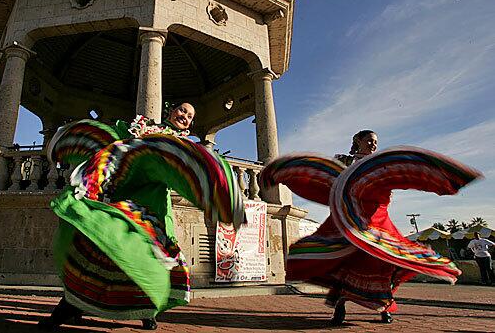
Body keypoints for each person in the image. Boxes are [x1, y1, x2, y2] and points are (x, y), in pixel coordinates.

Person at [39, 102, 244, 330]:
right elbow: (114, 141)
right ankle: (69, 308)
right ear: (171, 111)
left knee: (150, 256)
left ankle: (147, 312)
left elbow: (190, 169)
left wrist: (221, 195)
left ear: (191, 124)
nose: (184, 116)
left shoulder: (182, 146)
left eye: (189, 115)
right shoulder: (143, 128)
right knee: (100, 251)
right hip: (120, 201)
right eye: (182, 110)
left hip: (153, 207)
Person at [259, 130, 482, 326]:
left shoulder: (380, 162)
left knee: (385, 261)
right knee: (344, 263)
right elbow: (325, 179)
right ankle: (340, 308)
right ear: (358, 141)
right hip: (348, 217)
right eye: (369, 140)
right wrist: (280, 172)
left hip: (376, 218)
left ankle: (384, 307)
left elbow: (403, 176)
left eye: (375, 141)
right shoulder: (345, 161)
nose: (373, 144)